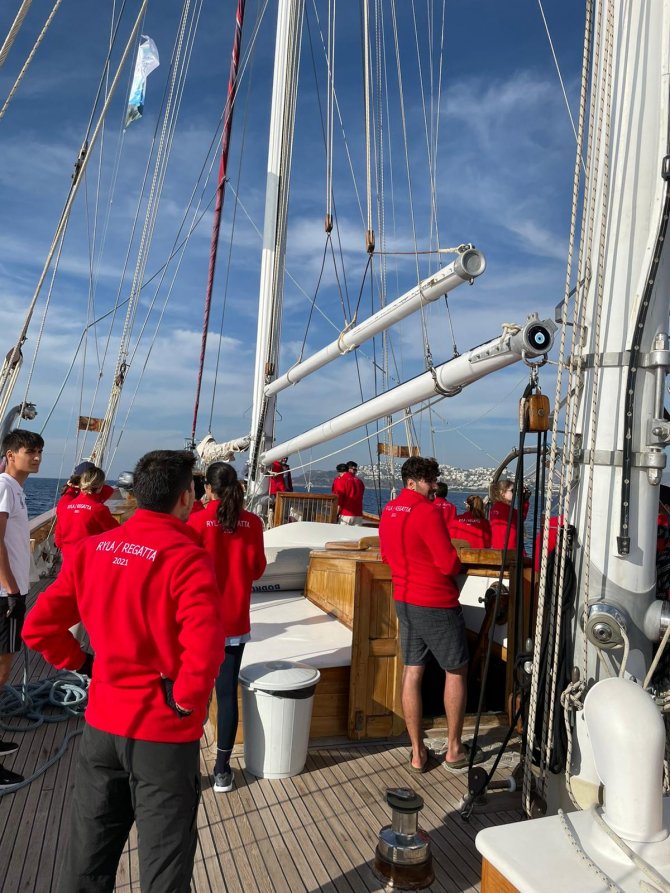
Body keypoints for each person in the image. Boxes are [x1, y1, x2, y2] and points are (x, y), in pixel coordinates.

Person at [23, 450, 225, 892]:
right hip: (162, 733)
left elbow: (38, 628)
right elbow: (207, 647)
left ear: (136, 494)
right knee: (164, 863)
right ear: (186, 497)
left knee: (88, 856)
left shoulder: (92, 550)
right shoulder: (186, 557)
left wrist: (84, 663)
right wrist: (185, 701)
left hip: (101, 726)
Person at [379, 456, 481, 772]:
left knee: (413, 670)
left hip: (405, 599)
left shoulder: (389, 509)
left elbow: (386, 555)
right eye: (429, 480)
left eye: (435, 479)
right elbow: (448, 563)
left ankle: (417, 753)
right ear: (412, 482)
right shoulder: (427, 512)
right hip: (436, 601)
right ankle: (454, 750)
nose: (434, 486)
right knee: (456, 670)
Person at [188, 462, 266, 793]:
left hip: (198, 622)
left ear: (208, 488)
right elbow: (257, 569)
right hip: (234, 621)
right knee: (226, 692)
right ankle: (222, 770)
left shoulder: (195, 522)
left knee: (194, 692)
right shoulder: (253, 523)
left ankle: (188, 769)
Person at [0, 429, 43, 787]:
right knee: (0, 671)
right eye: (30, 451)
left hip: (9, 592)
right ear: (10, 454)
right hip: (4, 595)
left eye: (39, 451)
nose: (37, 457)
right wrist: (12, 590)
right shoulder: (4, 487)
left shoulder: (16, 489)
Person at [54, 465, 118, 563]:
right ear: (100, 486)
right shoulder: (98, 509)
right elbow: (116, 533)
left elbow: (58, 540)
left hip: (68, 561)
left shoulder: (65, 507)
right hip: (90, 561)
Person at [489, 478, 529, 551]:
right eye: (512, 491)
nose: (514, 493)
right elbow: (520, 517)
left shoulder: (495, 508)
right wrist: (525, 502)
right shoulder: (506, 508)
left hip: (497, 547)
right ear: (502, 493)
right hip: (509, 549)